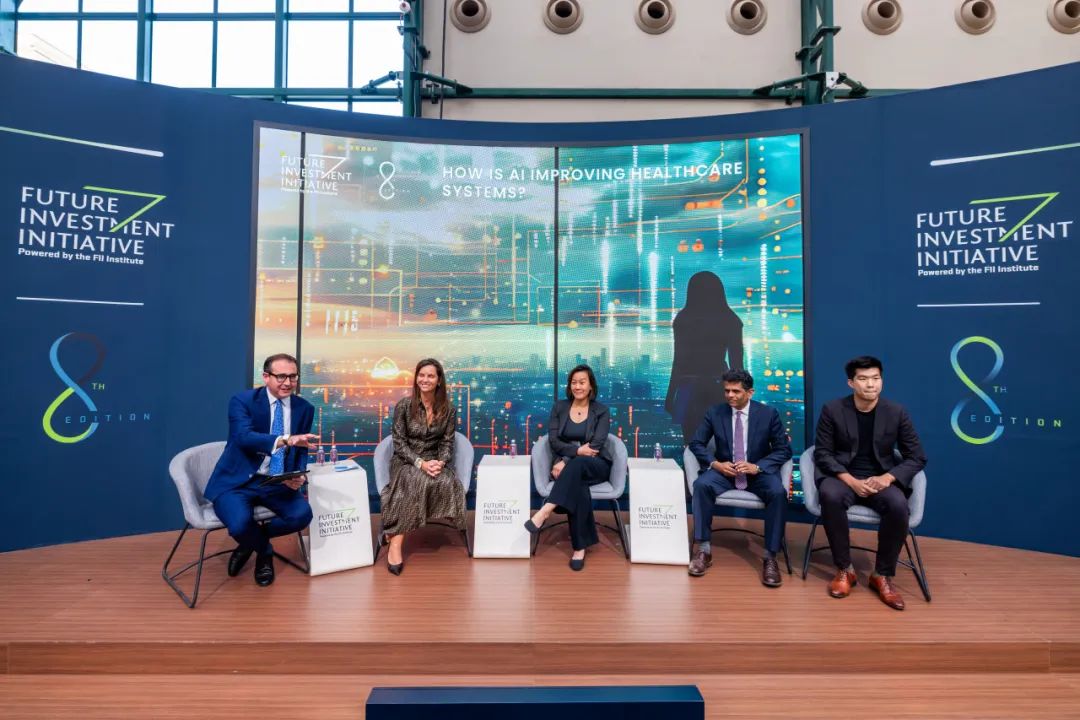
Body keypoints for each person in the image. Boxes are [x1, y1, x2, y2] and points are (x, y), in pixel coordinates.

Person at [814, 356, 927, 611]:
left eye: (876, 378)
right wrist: (851, 481)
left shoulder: (896, 412)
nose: (870, 384)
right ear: (851, 383)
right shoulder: (833, 409)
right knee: (830, 496)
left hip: (880, 478)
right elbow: (823, 453)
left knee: (898, 505)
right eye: (863, 379)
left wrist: (887, 478)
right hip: (843, 476)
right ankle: (845, 569)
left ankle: (882, 575)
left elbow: (917, 457)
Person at [204, 353, 318, 587]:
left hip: (275, 481)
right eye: (281, 376)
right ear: (266, 377)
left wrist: (296, 475)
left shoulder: (304, 408)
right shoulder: (242, 401)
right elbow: (243, 437)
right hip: (238, 481)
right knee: (239, 525)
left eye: (293, 376)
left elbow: (301, 447)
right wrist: (285, 440)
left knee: (302, 516)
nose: (288, 382)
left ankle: (250, 542)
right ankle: (264, 551)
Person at [687, 369, 792, 586]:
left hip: (757, 473)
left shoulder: (768, 414)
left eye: (736, 391)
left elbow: (784, 450)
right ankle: (704, 549)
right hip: (725, 471)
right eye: (727, 391)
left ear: (750, 392)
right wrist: (716, 464)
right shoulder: (715, 413)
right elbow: (696, 443)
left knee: (777, 492)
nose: (730, 395)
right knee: (701, 485)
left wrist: (757, 467)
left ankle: (770, 557)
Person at [381, 358, 466, 575]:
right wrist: (420, 463)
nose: (425, 380)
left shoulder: (449, 409)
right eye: (421, 375)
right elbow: (399, 444)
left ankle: (391, 531)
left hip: (434, 460)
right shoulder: (403, 406)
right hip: (406, 461)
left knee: (447, 481)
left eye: (430, 376)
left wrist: (440, 462)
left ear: (439, 380)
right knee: (414, 480)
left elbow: (447, 442)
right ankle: (396, 544)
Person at [524, 364, 613, 571]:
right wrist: (572, 455)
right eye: (574, 382)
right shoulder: (560, 407)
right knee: (578, 483)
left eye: (582, 382)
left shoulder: (601, 410)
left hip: (597, 465)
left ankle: (546, 510)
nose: (577, 386)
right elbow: (554, 441)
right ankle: (579, 548)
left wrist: (565, 460)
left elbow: (595, 446)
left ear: (591, 386)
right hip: (573, 467)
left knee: (579, 465)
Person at [665, 271, 744, 443]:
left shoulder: (683, 319)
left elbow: (678, 362)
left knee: (692, 445)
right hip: (718, 387)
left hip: (688, 389)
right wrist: (741, 397)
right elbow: (737, 365)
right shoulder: (731, 320)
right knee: (722, 445)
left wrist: (670, 396)